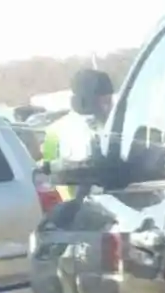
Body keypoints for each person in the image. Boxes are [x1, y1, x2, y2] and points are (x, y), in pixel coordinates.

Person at [40, 68, 114, 203]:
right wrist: (69, 167)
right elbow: (46, 170)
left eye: (110, 101)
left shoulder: (117, 127)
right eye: (103, 102)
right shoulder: (55, 131)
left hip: (114, 207)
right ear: (85, 100)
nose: (108, 108)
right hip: (74, 209)